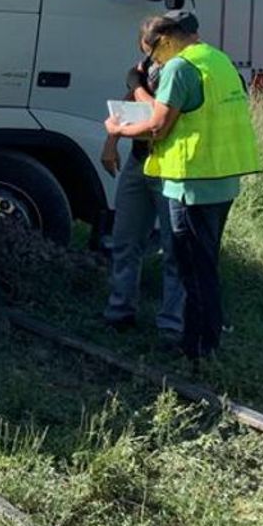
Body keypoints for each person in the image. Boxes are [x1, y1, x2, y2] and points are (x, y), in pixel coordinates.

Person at [103, 10, 261, 361]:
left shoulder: (180, 67)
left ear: (167, 39)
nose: (150, 59)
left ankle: (186, 340)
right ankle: (194, 340)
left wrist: (121, 122)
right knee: (194, 263)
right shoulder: (217, 62)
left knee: (185, 260)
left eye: (152, 50)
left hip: (185, 176)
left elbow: (159, 125)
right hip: (210, 177)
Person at [100, 45, 185, 344]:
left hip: (171, 167)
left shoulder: (183, 70)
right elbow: (130, 105)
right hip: (140, 161)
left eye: (151, 44)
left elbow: (155, 115)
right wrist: (111, 142)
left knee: (174, 249)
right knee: (125, 239)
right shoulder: (148, 65)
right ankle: (120, 312)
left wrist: (136, 86)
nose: (148, 51)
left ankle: (171, 326)